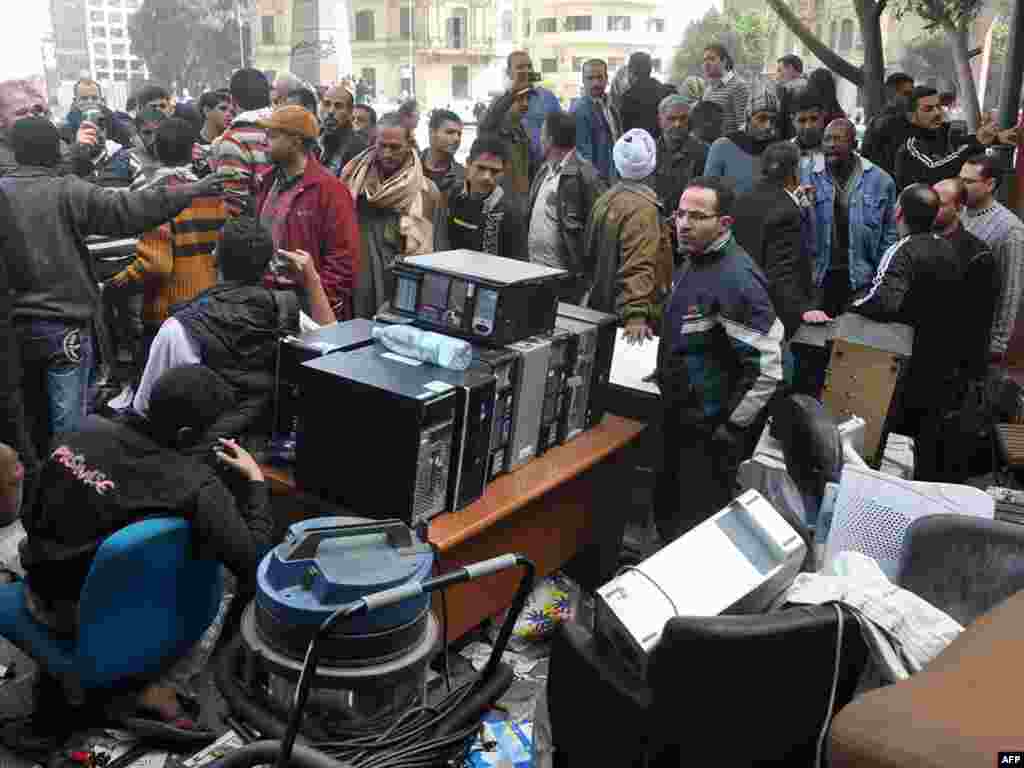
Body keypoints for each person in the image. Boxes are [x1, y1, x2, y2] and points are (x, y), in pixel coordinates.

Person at [0, 117, 225, 546]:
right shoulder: (65, 190)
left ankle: (27, 511)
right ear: (53, 152)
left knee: (25, 426)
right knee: (69, 435)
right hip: (63, 327)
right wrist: (193, 189)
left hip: (11, 334)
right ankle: (63, 521)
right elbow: (127, 210)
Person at [20, 363, 274, 723]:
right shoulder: (195, 485)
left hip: (36, 587)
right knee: (223, 573)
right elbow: (253, 562)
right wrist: (255, 482)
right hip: (84, 619)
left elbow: (29, 514)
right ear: (186, 434)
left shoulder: (83, 427)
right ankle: (171, 685)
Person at [655, 176, 784, 540]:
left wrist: (731, 427)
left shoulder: (736, 279)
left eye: (697, 217)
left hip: (708, 433)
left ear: (724, 223)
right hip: (681, 419)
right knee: (669, 514)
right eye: (680, 214)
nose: (683, 224)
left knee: (695, 530)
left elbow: (768, 367)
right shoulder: (696, 260)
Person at [134, 217, 334, 440]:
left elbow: (144, 408)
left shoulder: (179, 328)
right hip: (268, 448)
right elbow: (338, 351)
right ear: (269, 266)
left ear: (215, 257)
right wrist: (312, 279)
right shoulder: (287, 312)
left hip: (202, 452)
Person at [849, 184, 966, 480]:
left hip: (902, 362)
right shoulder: (947, 248)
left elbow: (883, 301)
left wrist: (851, 306)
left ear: (898, 212)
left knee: (889, 441)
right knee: (919, 440)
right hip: (939, 361)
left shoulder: (903, 249)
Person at [107, 118, 227, 379]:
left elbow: (156, 264)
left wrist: (116, 284)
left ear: (156, 150)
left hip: (166, 313)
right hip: (208, 310)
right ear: (192, 149)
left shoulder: (154, 196)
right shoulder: (214, 195)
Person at [255, 105, 360, 321]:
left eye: (272, 135)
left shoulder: (330, 190)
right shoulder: (267, 182)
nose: (264, 142)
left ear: (295, 142)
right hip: (267, 303)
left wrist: (319, 303)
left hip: (306, 307)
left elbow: (344, 260)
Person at [342, 112, 442, 319]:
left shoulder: (425, 191)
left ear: (409, 145)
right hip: (353, 277)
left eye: (395, 147)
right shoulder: (353, 179)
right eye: (382, 146)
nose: (387, 153)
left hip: (396, 285)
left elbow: (426, 255)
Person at [583, 129, 672, 343]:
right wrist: (636, 315)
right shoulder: (644, 210)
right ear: (652, 166)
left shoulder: (605, 200)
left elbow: (592, 254)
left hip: (602, 308)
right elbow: (638, 263)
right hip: (631, 323)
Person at [807, 118, 898, 317]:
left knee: (854, 331)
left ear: (855, 144)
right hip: (819, 276)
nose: (831, 144)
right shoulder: (808, 175)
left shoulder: (881, 181)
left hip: (861, 278)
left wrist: (881, 280)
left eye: (838, 139)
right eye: (827, 139)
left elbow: (889, 235)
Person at [731, 141, 816, 339]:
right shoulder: (787, 212)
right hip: (773, 312)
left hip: (741, 302)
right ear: (795, 171)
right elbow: (783, 272)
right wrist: (801, 310)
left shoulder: (742, 198)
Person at [526, 110, 606, 298]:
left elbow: (600, 230)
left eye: (542, 134)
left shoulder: (586, 175)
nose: (539, 139)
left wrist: (589, 283)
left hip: (566, 283)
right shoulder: (544, 170)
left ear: (550, 139)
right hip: (535, 275)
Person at [960, 153, 1024, 370]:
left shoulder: (1010, 229)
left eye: (968, 181)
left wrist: (998, 343)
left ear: (990, 185)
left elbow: (1011, 288)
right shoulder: (956, 211)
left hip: (980, 334)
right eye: (960, 179)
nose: (961, 186)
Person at [933, 177, 997, 390]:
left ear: (959, 208)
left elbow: (978, 323)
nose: (932, 209)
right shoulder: (915, 240)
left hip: (951, 365)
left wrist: (971, 374)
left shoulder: (977, 255)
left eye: (940, 205)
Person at [895, 86, 1017, 190]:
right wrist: (975, 145)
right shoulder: (910, 145)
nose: (937, 113)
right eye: (928, 109)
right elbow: (934, 171)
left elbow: (966, 143)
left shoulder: (943, 133)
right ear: (911, 116)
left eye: (938, 107)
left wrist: (995, 139)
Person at [436, 136, 527, 260]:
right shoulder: (449, 195)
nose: (487, 177)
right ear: (468, 163)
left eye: (495, 171)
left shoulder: (511, 213)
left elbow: (519, 263)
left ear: (503, 172)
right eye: (481, 168)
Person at [211, 68, 273, 217]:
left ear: (233, 100)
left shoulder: (234, 138)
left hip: (255, 226)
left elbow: (234, 204)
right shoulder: (286, 128)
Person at [652, 94, 708, 260]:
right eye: (671, 119)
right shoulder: (648, 152)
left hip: (691, 237)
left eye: (682, 118)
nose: (677, 124)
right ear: (660, 120)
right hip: (655, 235)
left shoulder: (703, 152)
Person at [704, 89, 778, 195]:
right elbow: (708, 191)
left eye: (773, 119)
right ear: (748, 118)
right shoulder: (722, 146)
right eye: (762, 118)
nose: (768, 126)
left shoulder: (779, 149)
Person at [505, 50, 562, 164]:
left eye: (529, 66)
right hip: (516, 166)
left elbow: (561, 132)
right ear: (509, 73)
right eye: (520, 67)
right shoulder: (503, 103)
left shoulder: (548, 97)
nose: (526, 70)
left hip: (546, 165)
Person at [479, 85, 534, 196]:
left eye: (528, 99)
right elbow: (491, 117)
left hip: (521, 199)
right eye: (520, 99)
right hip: (499, 200)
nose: (526, 104)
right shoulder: (492, 129)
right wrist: (511, 93)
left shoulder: (522, 131)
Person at [573, 59, 622, 181]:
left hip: (616, 176)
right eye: (590, 78)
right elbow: (583, 156)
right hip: (597, 182)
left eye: (600, 77)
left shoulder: (611, 106)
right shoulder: (579, 110)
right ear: (583, 80)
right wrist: (597, 184)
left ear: (606, 78)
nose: (596, 83)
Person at [861, 72, 915, 176]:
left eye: (912, 94)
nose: (911, 98)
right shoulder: (888, 122)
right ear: (891, 94)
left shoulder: (877, 120)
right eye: (906, 94)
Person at [619, 52, 676, 143]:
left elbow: (627, 133)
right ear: (650, 69)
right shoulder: (668, 91)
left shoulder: (628, 98)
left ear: (631, 71)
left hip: (642, 147)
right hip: (668, 146)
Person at [700, 43, 750, 135]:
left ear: (724, 61)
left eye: (711, 59)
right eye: (704, 60)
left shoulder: (738, 86)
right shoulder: (708, 90)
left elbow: (743, 126)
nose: (706, 64)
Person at [319, 84, 367, 178]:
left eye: (338, 106)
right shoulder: (311, 140)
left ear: (350, 112)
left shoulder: (358, 149)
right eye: (326, 104)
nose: (331, 111)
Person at [421, 109, 465, 199]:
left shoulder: (463, 177)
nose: (457, 138)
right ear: (432, 133)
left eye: (459, 134)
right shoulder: (409, 165)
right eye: (450, 132)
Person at [193, 89, 233, 178]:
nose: (229, 114)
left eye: (231, 111)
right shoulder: (190, 144)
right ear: (207, 111)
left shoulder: (233, 143)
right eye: (223, 109)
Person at [792, 89, 828, 178]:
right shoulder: (785, 156)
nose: (808, 126)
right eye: (802, 120)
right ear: (793, 121)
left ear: (823, 117)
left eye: (814, 119)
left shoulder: (835, 153)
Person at [775, 54, 807, 142]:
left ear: (790, 68)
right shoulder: (808, 85)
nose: (777, 75)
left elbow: (781, 121)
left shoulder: (788, 89)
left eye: (779, 70)